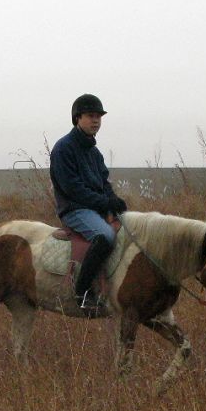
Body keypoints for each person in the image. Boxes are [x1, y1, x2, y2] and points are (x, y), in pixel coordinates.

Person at [50, 94, 127, 311]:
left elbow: (104, 182)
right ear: (77, 118)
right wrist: (105, 203)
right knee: (106, 236)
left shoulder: (94, 153)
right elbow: (73, 189)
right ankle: (83, 294)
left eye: (99, 117)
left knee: (128, 231)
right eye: (90, 116)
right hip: (75, 209)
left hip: (95, 207)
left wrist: (114, 200)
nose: (96, 121)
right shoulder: (63, 148)